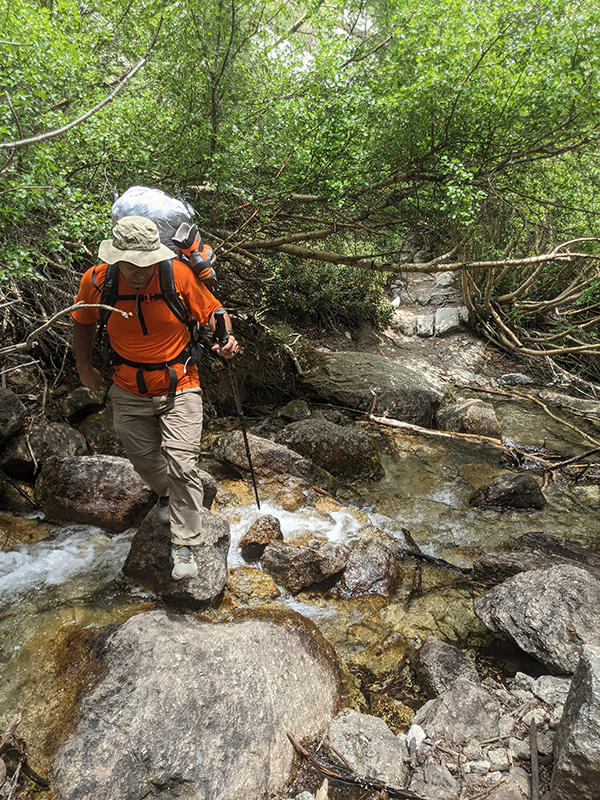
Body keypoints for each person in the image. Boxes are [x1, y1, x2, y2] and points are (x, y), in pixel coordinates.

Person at [72, 215, 239, 580]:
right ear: (116, 257)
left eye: (146, 262)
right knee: (142, 458)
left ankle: (185, 545)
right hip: (127, 385)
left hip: (180, 382)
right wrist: (84, 367)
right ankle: (167, 493)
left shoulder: (176, 275)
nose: (139, 270)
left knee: (182, 464)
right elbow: (83, 322)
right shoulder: (96, 281)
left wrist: (225, 338)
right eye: (131, 262)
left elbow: (213, 311)